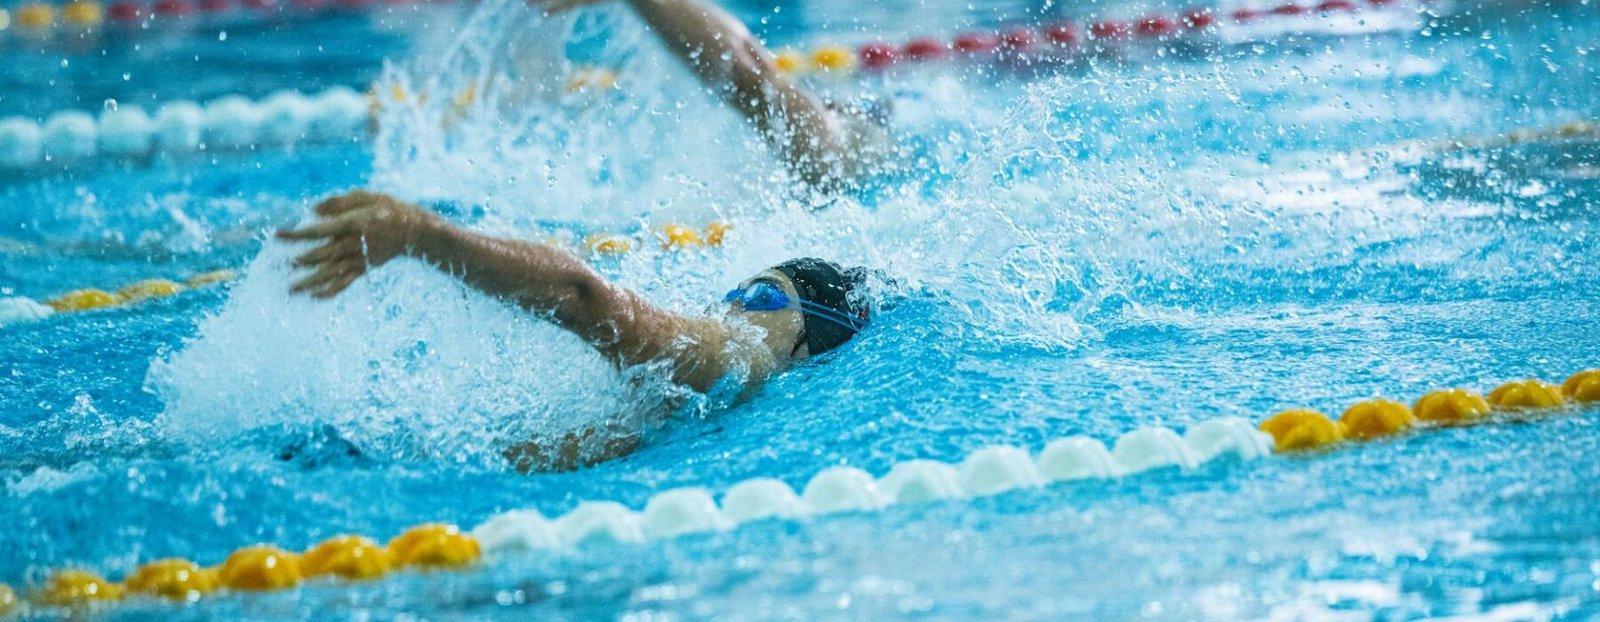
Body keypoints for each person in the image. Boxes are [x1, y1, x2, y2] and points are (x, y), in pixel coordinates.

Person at [277, 191, 875, 470]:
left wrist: (422, 235)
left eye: (765, 296)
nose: (737, 306)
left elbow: (584, 297)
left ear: (808, 342)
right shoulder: (728, 392)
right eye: (736, 291)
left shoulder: (738, 359)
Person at [533, 0, 895, 192]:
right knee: (820, 157)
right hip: (859, 137)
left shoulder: (853, 152)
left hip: (864, 137)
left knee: (824, 162)